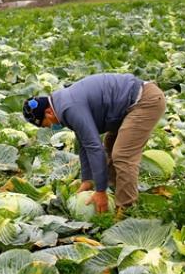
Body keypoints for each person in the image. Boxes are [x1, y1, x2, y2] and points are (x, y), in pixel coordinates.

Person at [23, 73, 166, 213]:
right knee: (110, 144)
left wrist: (100, 190)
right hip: (130, 104)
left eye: (45, 124)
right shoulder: (62, 104)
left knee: (122, 155)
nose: (48, 127)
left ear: (48, 113)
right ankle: (116, 191)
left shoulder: (69, 107)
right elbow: (84, 144)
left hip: (144, 101)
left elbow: (94, 147)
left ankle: (126, 209)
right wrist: (87, 179)